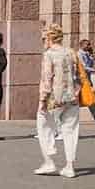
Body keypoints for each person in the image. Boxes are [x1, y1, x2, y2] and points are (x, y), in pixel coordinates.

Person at [35, 24, 80, 179]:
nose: (43, 41)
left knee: (44, 127)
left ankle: (49, 161)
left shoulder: (49, 54)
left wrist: (42, 100)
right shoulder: (71, 52)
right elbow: (78, 76)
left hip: (54, 98)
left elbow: (47, 78)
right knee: (71, 131)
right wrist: (76, 92)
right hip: (72, 97)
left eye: (44, 39)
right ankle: (70, 166)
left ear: (49, 38)